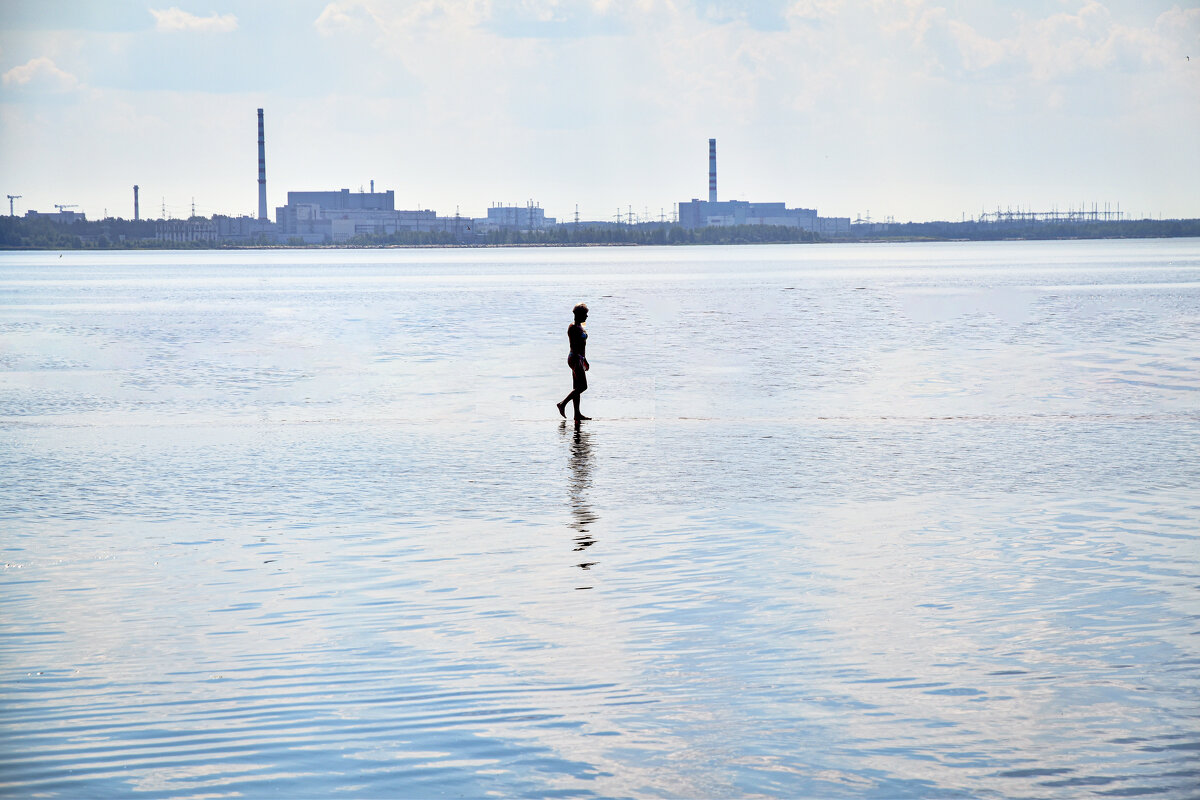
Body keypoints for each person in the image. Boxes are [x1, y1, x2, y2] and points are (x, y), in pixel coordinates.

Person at [557, 303, 591, 421]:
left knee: (576, 387)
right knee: (583, 386)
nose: (587, 317)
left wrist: (585, 359)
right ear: (579, 314)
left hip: (579, 358)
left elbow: (583, 345)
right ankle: (562, 404)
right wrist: (579, 360)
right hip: (575, 358)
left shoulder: (580, 326)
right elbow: (575, 345)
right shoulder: (573, 327)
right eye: (585, 314)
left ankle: (577, 414)